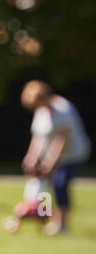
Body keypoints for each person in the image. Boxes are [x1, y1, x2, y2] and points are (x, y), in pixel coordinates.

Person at [20, 80, 89, 235]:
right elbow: (37, 137)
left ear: (43, 97)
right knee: (45, 185)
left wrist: (50, 163)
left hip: (73, 154)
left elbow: (61, 140)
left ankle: (62, 224)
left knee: (60, 183)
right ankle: (46, 220)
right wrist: (31, 157)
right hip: (51, 154)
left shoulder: (63, 108)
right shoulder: (41, 111)